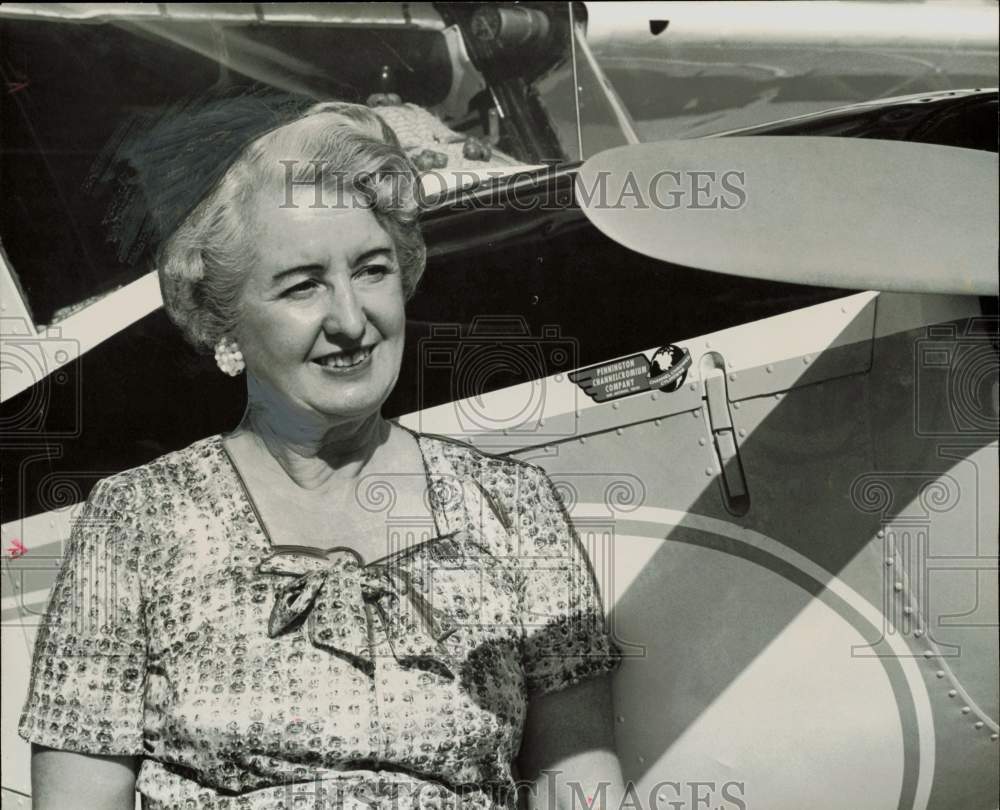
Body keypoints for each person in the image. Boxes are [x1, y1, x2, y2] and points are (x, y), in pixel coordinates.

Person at [18, 92, 625, 810]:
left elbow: (580, 787)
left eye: (371, 270)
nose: (350, 320)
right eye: (304, 285)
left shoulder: (512, 507)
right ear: (224, 327)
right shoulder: (134, 522)